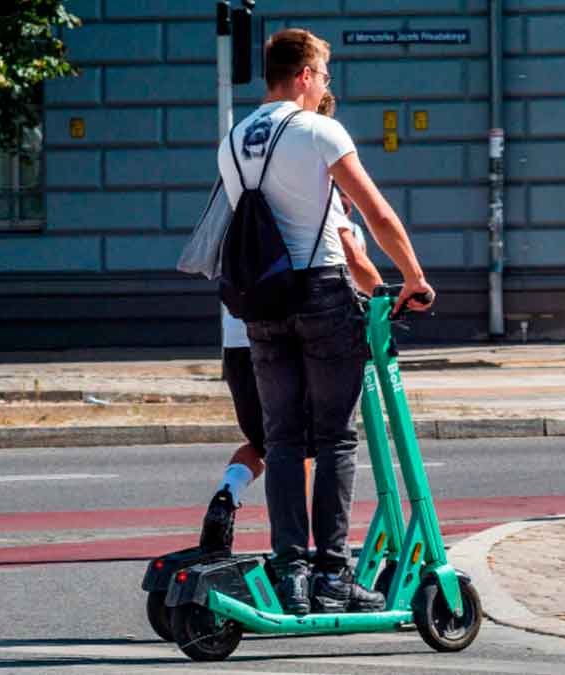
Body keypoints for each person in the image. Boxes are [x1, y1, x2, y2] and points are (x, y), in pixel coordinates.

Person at [216, 27, 433, 616]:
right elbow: (373, 211)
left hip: (263, 304)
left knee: (283, 438)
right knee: (335, 438)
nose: (325, 87)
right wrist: (413, 276)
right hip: (322, 293)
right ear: (306, 75)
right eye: (324, 77)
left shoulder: (234, 138)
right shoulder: (318, 130)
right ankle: (334, 576)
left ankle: (292, 575)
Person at [199, 92, 383, 556]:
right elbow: (355, 253)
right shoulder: (319, 202)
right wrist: (389, 294)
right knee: (325, 440)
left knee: (270, 440)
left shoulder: (244, 186)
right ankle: (316, 559)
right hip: (309, 312)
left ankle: (233, 499)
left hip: (243, 334)